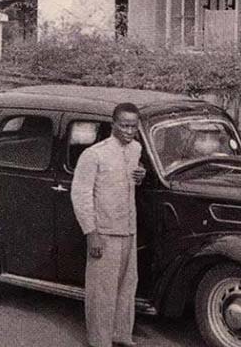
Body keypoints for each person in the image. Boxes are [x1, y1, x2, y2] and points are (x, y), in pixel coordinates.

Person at [71, 102, 147, 347]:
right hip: (103, 231)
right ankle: (99, 342)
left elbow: (129, 179)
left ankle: (121, 335)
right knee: (101, 292)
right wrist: (91, 233)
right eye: (124, 125)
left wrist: (141, 174)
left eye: (133, 126)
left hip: (128, 230)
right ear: (113, 124)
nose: (128, 131)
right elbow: (80, 194)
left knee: (127, 287)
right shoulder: (94, 154)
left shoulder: (136, 149)